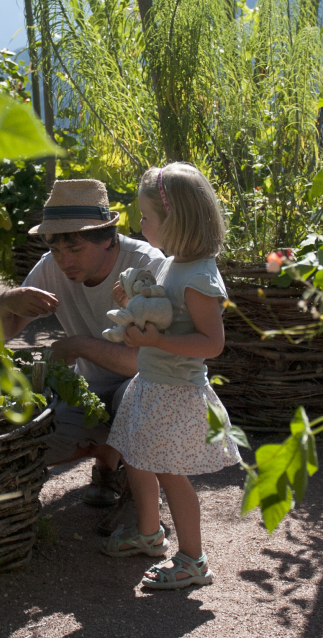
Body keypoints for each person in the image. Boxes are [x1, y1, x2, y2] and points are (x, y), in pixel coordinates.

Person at [98, 162, 240, 589]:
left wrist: (157, 342)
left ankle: (193, 559)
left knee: (170, 474)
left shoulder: (198, 278)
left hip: (176, 393)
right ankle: (149, 533)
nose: (140, 224)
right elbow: (160, 308)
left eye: (146, 216)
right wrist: (131, 301)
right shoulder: (171, 264)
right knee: (138, 456)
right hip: (152, 385)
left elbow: (211, 343)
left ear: (174, 221)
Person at [0, 179, 165, 512]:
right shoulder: (51, 266)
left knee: (136, 396)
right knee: (38, 439)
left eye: (75, 249)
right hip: (89, 393)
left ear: (108, 239)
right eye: (56, 249)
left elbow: (145, 362)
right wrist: (7, 301)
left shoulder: (145, 265)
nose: (64, 260)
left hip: (149, 388)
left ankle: (141, 501)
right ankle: (108, 458)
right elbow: (4, 332)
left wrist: (77, 346)